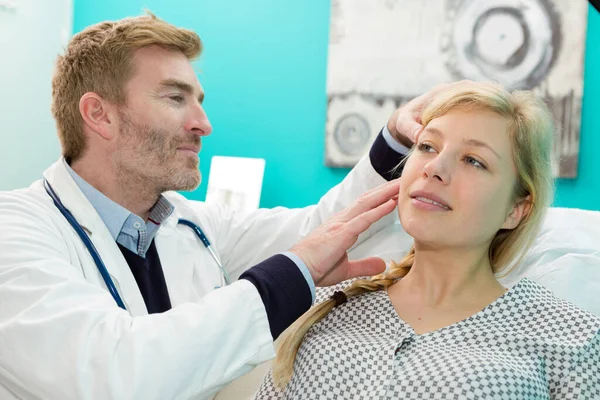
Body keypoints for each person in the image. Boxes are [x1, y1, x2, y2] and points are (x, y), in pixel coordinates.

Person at [0, 13, 440, 400]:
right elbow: (112, 377)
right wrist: (289, 275)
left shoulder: (192, 225)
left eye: (199, 101)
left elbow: (322, 233)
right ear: (100, 115)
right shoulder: (16, 232)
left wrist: (395, 145)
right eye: (175, 98)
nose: (203, 124)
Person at [256, 82, 600, 399]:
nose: (434, 167)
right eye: (427, 146)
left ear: (516, 209)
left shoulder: (572, 338)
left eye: (473, 161)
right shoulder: (326, 307)